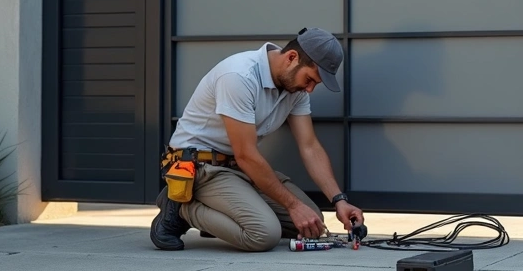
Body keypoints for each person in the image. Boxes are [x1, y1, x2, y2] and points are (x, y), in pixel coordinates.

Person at [149, 27, 364, 252]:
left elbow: (309, 147)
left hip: (236, 167)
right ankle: (181, 206)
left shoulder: (295, 91)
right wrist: (292, 205)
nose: (309, 89)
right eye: (309, 79)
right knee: (263, 234)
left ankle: (221, 214)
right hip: (198, 167)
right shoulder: (239, 76)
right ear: (292, 58)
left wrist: (339, 200)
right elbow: (246, 154)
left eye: (315, 84)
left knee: (312, 223)